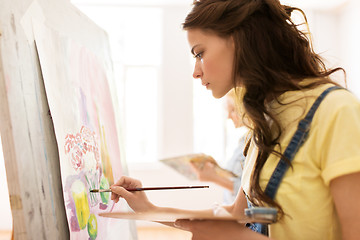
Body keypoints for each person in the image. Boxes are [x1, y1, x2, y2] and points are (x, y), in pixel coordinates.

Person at [111, 0, 360, 239]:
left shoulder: (336, 111)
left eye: (199, 53)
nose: (195, 72)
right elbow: (234, 216)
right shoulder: (263, 125)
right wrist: (148, 209)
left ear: (238, 40)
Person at [190, 89, 247, 204]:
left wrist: (213, 178)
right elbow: (236, 178)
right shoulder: (243, 141)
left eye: (232, 110)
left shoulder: (254, 144)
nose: (229, 117)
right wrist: (216, 169)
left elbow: (247, 192)